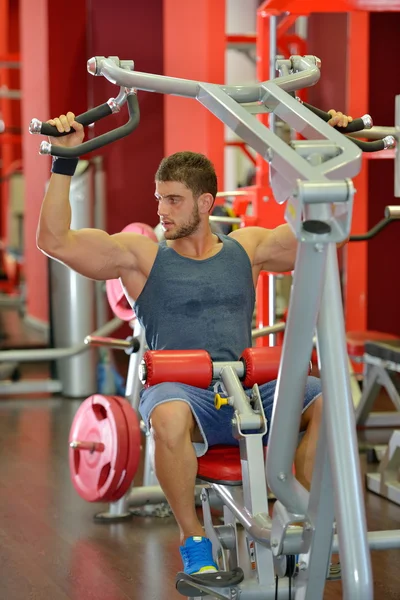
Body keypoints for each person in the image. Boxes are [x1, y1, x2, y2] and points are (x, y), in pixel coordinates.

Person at [37, 108, 352, 576]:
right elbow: (55, 241)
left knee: (333, 399)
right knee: (168, 415)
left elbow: (328, 233)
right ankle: (192, 537)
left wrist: (334, 160)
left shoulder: (248, 248)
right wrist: (65, 162)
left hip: (249, 389)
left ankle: (302, 510)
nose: (161, 211)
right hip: (181, 391)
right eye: (159, 199)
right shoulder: (140, 257)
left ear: (206, 204)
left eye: (174, 201)